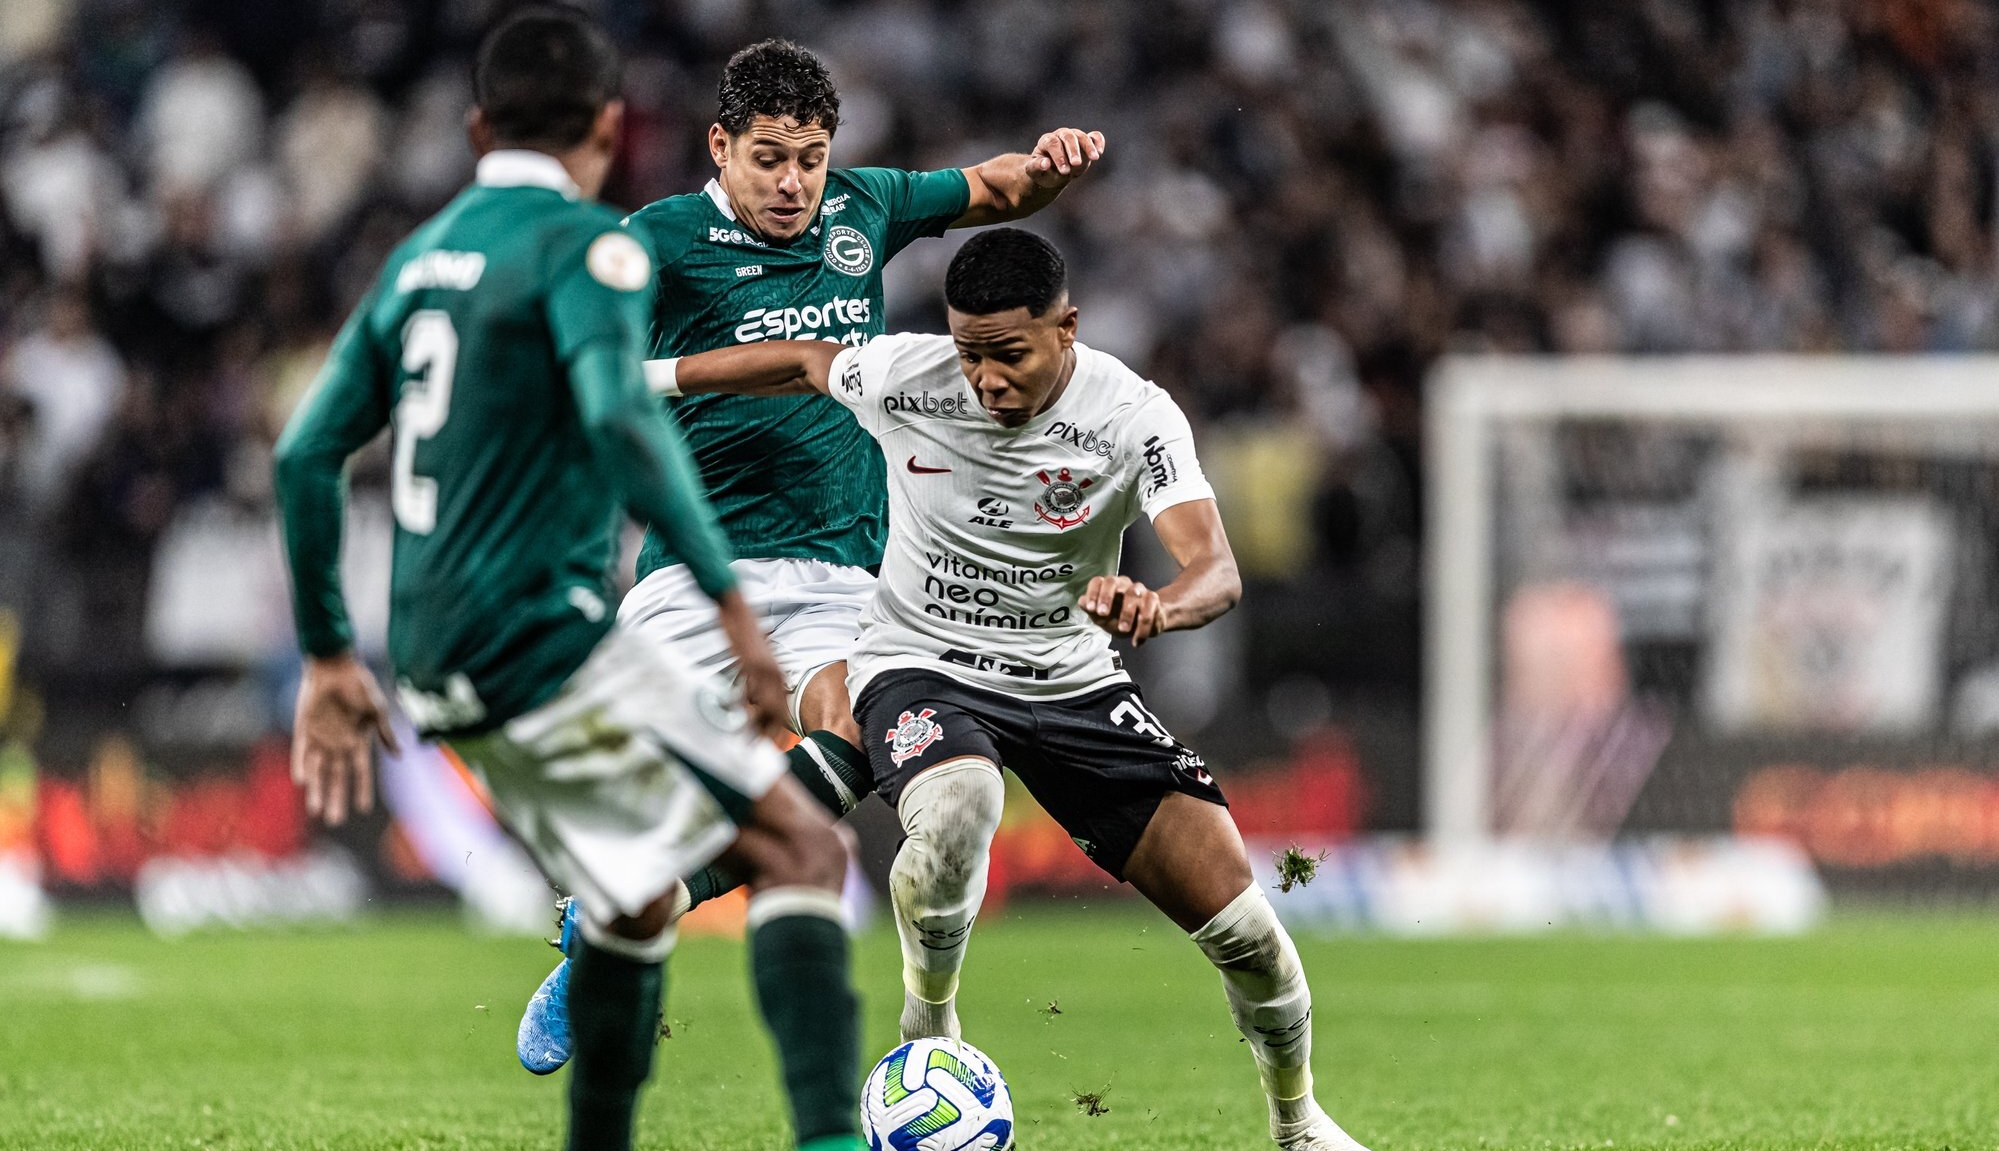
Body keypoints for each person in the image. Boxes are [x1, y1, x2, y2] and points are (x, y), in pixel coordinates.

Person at [272, 9, 863, 1150]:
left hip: (431, 657)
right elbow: (621, 419)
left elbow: (305, 453)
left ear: (475, 126)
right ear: (609, 126)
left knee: (635, 897)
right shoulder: (589, 247)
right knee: (802, 848)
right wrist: (732, 605)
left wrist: (327, 652)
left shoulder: (419, 260)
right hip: (542, 640)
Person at [652, 227, 1371, 1151]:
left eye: (1009, 355)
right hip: (920, 660)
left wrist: (1157, 603)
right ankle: (930, 1022)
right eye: (969, 352)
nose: (985, 378)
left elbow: (1217, 570)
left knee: (1250, 936)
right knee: (960, 802)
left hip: (1073, 683)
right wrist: (652, 380)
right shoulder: (911, 376)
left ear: (1067, 328)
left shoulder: (1132, 414)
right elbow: (798, 360)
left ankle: (1298, 1120)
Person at [518, 36, 1107, 1074]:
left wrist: (1047, 168)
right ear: (720, 147)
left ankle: (657, 907)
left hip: (844, 573)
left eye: (811, 156)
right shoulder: (660, 236)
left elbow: (995, 190)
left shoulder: (861, 208)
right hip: (698, 576)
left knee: (855, 720)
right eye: (769, 158)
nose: (794, 182)